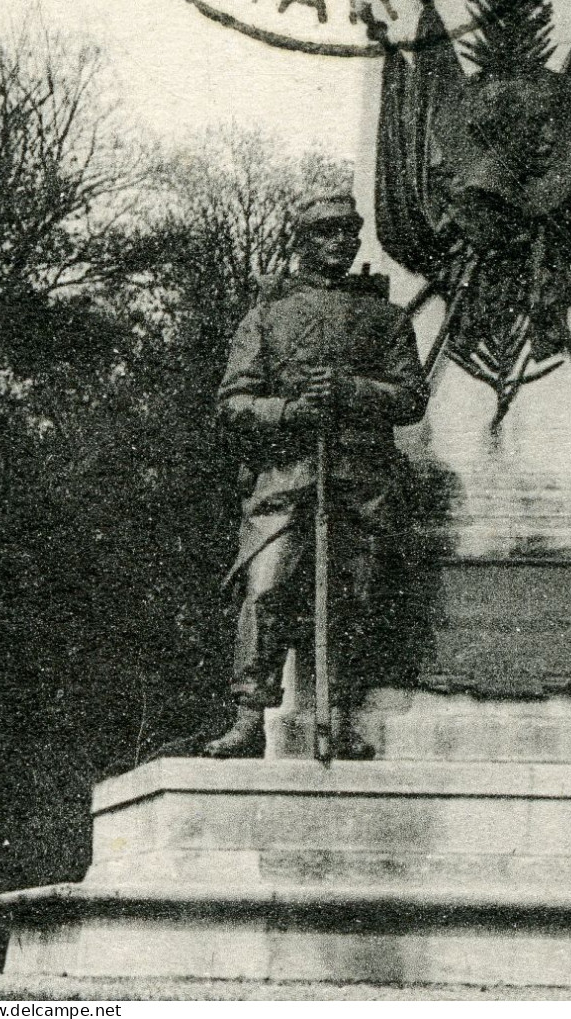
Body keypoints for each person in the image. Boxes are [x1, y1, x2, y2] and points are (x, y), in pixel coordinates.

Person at [205, 193, 429, 760]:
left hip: (360, 482)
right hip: (285, 478)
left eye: (348, 234)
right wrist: (289, 411)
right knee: (267, 590)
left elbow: (410, 397)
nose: (340, 243)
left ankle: (340, 716)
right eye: (326, 233)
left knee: (352, 599)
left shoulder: (386, 318)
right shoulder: (266, 317)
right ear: (303, 240)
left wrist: (353, 392)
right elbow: (233, 403)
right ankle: (248, 718)